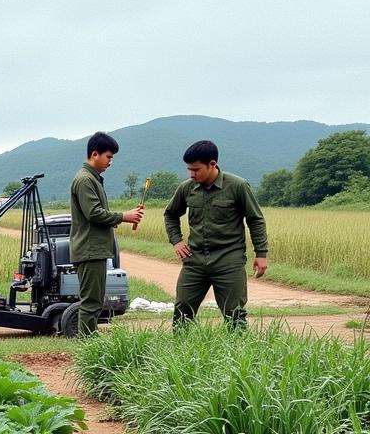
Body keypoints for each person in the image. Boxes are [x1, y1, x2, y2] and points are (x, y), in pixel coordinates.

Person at [164, 140, 269, 329]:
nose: (192, 174)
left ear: (212, 164)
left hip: (228, 259)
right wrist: (177, 241)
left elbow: (255, 220)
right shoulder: (186, 188)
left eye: (196, 169)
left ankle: (239, 354)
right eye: (189, 169)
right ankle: (180, 353)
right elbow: (170, 214)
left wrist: (261, 254)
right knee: (182, 311)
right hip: (194, 260)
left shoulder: (237, 186)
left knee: (234, 313)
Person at [69, 132, 144, 336]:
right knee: (91, 302)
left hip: (94, 250)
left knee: (94, 301)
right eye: (108, 157)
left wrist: (116, 219)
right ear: (95, 154)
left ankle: (89, 342)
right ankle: (87, 345)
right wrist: (124, 216)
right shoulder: (85, 180)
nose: (110, 162)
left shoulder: (91, 179)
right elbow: (93, 213)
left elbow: (95, 215)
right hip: (90, 249)